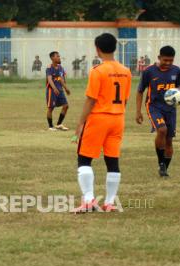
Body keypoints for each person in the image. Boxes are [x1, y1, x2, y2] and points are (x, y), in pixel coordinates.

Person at [72, 33, 132, 213]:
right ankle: (109, 203)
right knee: (112, 160)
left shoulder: (97, 71)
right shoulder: (126, 71)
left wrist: (80, 123)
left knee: (84, 159)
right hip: (118, 119)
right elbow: (125, 99)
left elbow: (91, 100)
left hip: (99, 118)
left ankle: (89, 200)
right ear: (114, 47)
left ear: (97, 49)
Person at [136, 46, 180, 177]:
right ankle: (161, 162)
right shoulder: (149, 71)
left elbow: (179, 85)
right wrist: (138, 111)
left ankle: (164, 170)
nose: (168, 63)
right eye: (165, 60)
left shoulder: (176, 70)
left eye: (171, 60)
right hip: (154, 106)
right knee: (162, 130)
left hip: (170, 109)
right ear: (159, 58)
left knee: (169, 140)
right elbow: (140, 91)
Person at [45, 51, 71, 131]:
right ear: (52, 58)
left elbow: (61, 79)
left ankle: (59, 124)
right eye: (57, 56)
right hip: (51, 91)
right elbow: (49, 79)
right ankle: (50, 126)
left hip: (60, 90)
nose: (59, 57)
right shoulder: (49, 68)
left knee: (66, 106)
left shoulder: (60, 67)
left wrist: (66, 88)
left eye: (59, 56)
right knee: (50, 108)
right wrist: (54, 88)